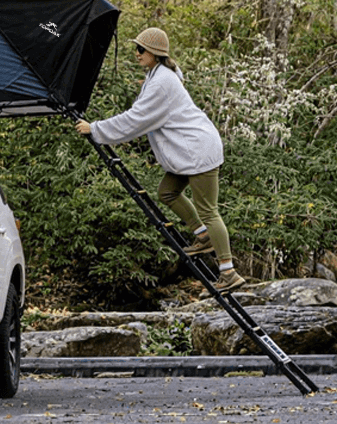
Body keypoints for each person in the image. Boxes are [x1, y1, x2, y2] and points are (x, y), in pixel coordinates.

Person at [75, 28, 244, 292]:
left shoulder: (163, 82)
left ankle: (228, 272)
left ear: (155, 53)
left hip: (198, 150)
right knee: (167, 192)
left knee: (209, 210)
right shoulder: (158, 76)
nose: (137, 54)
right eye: (137, 49)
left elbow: (135, 119)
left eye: (141, 50)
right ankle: (202, 237)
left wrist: (95, 129)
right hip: (189, 151)